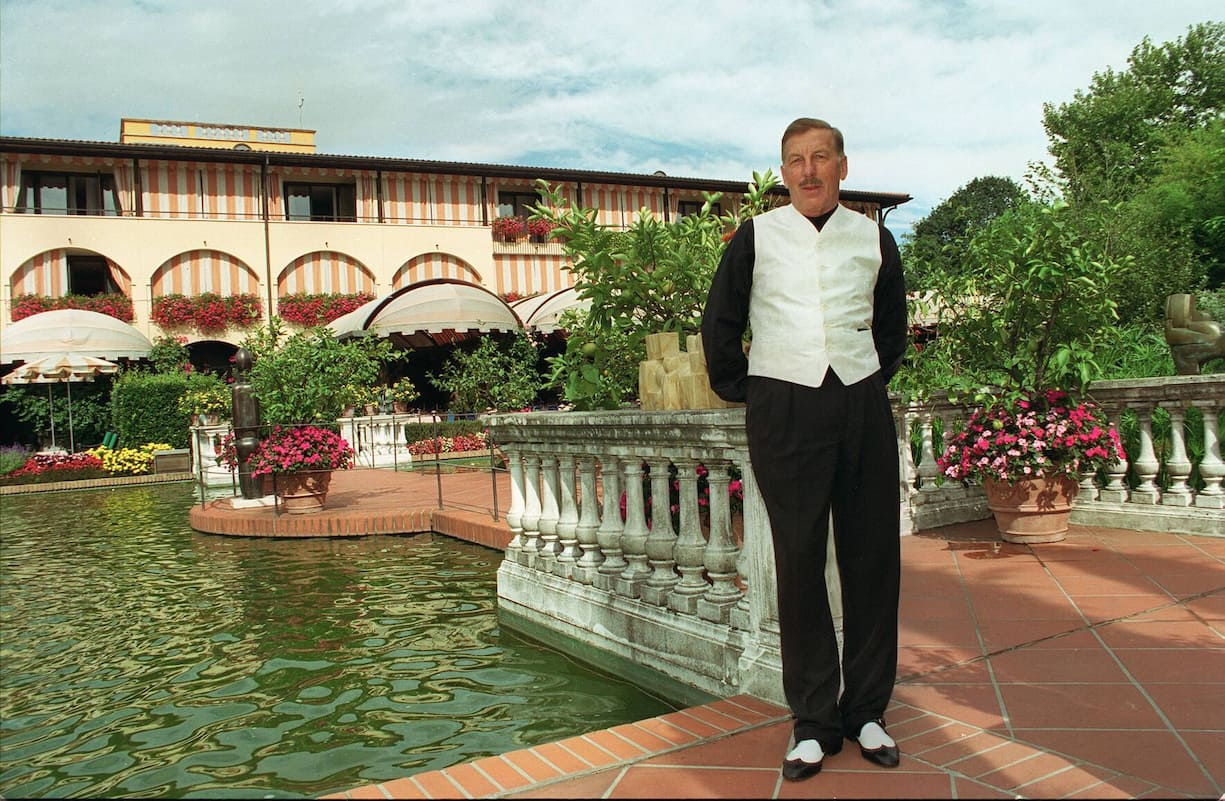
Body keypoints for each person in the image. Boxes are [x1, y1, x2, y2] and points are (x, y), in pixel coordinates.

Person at [701, 117, 907, 781]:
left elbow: (891, 327)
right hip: (783, 405)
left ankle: (867, 709)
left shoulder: (873, 237)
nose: (809, 170)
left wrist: (863, 378)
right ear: (782, 172)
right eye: (795, 160)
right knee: (797, 558)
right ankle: (813, 720)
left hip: (859, 401)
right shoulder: (756, 237)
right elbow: (721, 319)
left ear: (842, 166)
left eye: (821, 157)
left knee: (871, 554)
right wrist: (749, 389)